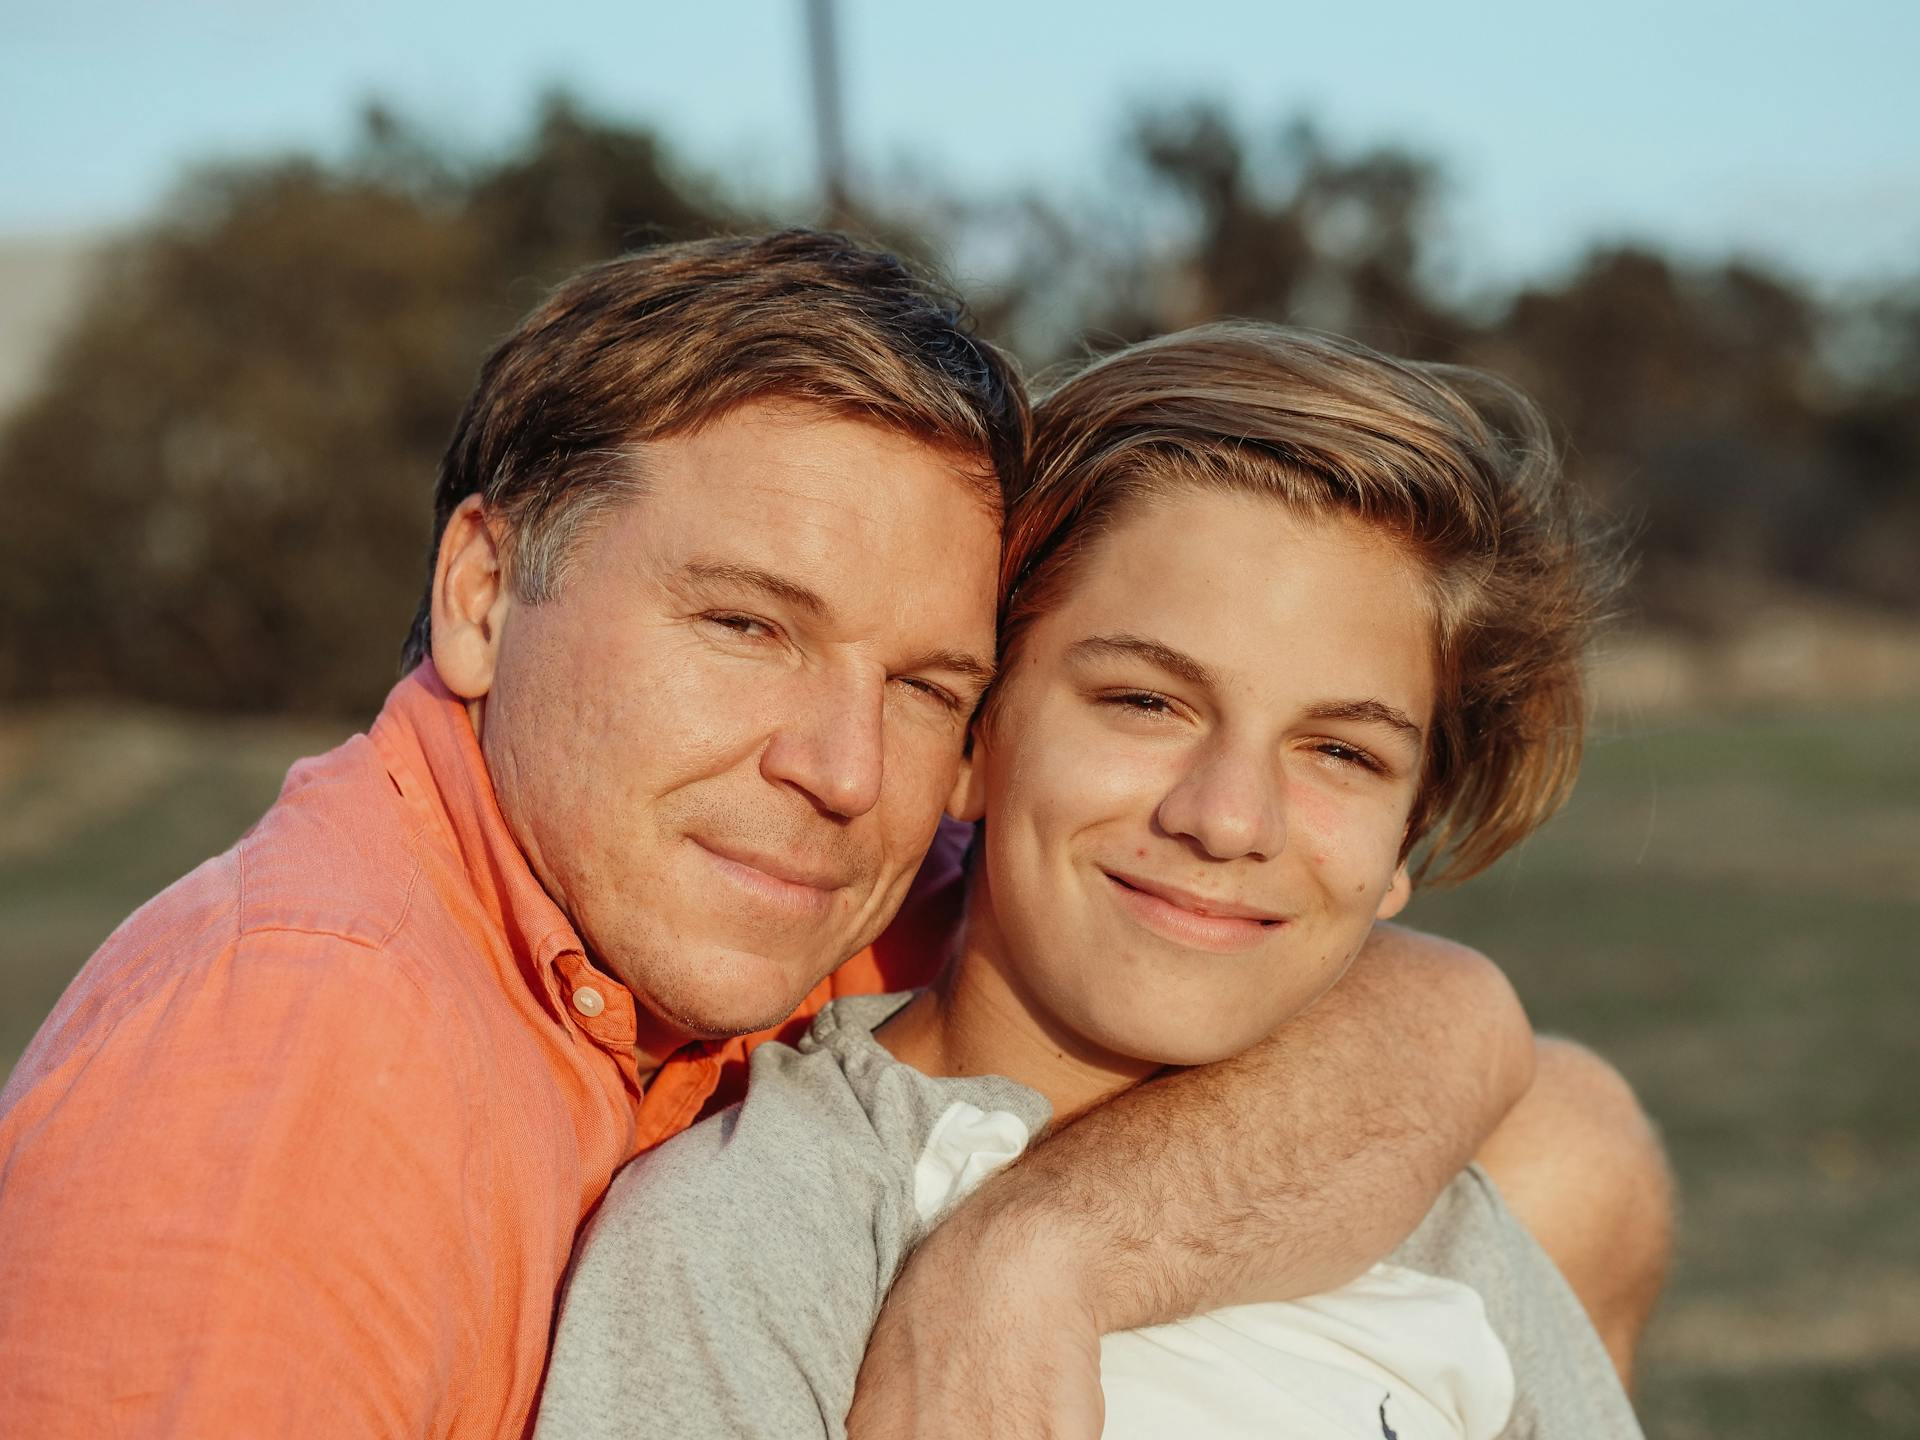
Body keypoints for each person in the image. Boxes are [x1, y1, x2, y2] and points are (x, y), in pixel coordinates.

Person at [0, 232, 1651, 1440]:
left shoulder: (831, 880)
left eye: (927, 681)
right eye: (746, 626)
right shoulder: (282, 1091)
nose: (844, 767)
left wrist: (1034, 1263)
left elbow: (1454, 1026)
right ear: (486, 593)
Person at [535, 323, 1652, 1439]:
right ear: (972, 736)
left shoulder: (1425, 1218)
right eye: (1146, 702)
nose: (1226, 818)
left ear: (1403, 846)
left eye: (1342, 753)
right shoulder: (757, 1239)